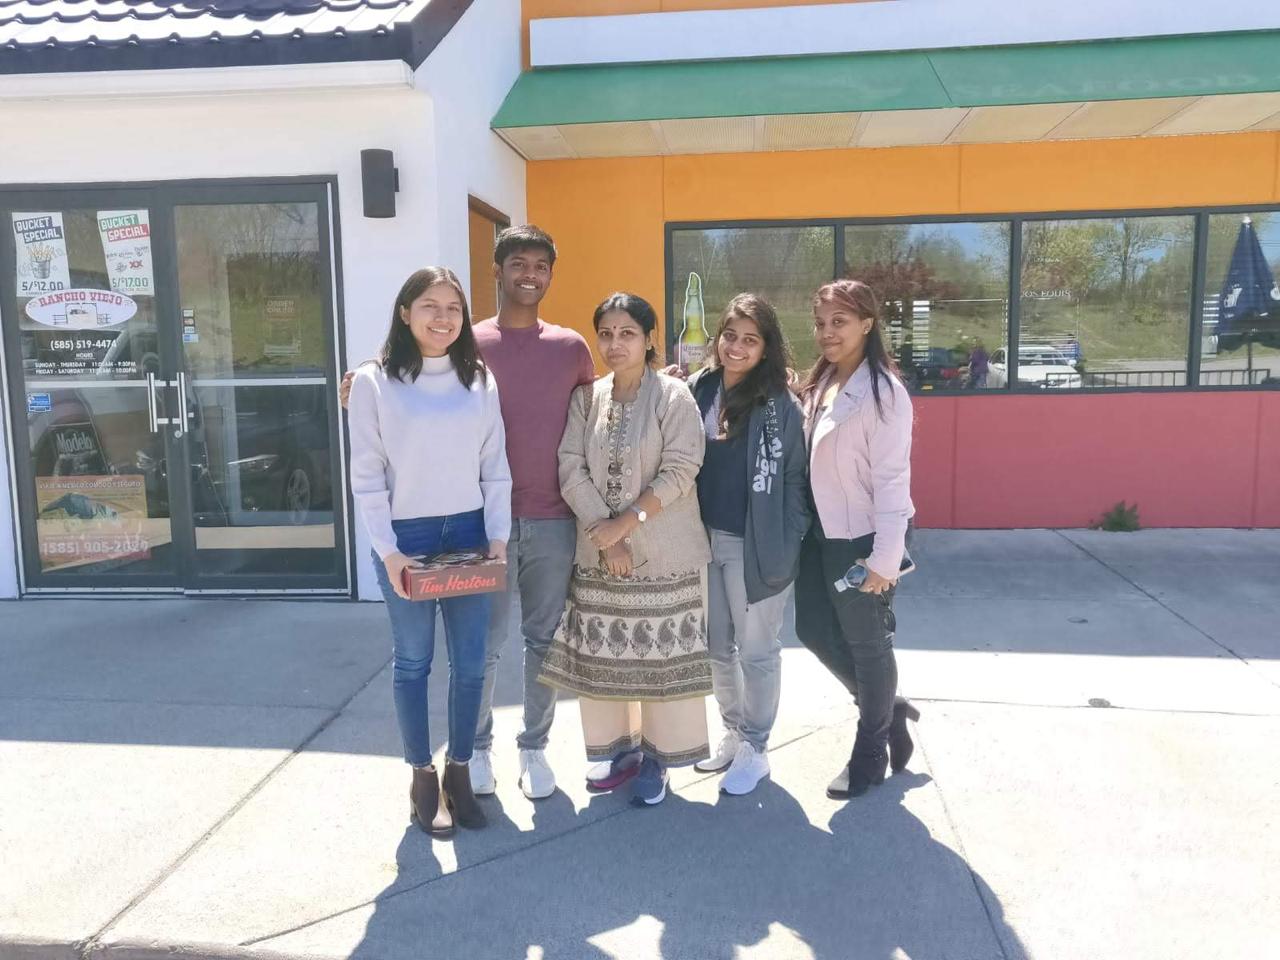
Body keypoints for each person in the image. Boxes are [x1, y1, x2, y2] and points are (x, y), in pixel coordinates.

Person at [342, 225, 594, 802]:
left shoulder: (567, 348)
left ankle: (533, 748)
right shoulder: (467, 345)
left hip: (546, 519)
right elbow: (395, 405)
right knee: (476, 651)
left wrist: (667, 380)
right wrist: (361, 385)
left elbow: (598, 409)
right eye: (518, 263)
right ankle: (474, 751)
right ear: (497, 272)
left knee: (541, 641)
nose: (530, 274)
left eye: (541, 265)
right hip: (470, 527)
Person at [347, 267, 510, 835]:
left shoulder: (478, 380)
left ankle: (459, 772)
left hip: (468, 533)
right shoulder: (373, 382)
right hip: (406, 538)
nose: (443, 318)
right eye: (430, 306)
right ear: (405, 312)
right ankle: (422, 776)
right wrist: (389, 552)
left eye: (453, 308)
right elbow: (367, 475)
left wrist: (497, 538)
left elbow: (495, 466)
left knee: (471, 663)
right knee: (414, 661)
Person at [538, 292, 711, 806]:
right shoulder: (586, 398)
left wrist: (626, 525)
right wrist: (605, 532)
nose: (615, 344)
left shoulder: (673, 396)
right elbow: (570, 467)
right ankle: (622, 752)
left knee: (661, 660)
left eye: (627, 333)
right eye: (606, 334)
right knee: (606, 656)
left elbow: (682, 467)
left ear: (649, 338)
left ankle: (659, 759)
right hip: (598, 554)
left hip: (666, 554)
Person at [793, 278, 920, 801]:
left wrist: (885, 559)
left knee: (869, 647)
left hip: (861, 539)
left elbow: (893, 480)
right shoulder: (819, 384)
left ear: (867, 324)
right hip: (818, 534)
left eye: (839, 322)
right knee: (813, 630)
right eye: (821, 323)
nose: (828, 332)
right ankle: (887, 709)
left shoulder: (885, 393)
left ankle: (870, 753)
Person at [686, 294, 810, 796]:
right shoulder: (700, 388)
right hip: (702, 539)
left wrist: (786, 538)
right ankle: (735, 733)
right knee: (717, 647)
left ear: (766, 347)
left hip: (755, 544)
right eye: (730, 336)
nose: (737, 347)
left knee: (757, 651)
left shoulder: (780, 404)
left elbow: (796, 480)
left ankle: (756, 748)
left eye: (750, 340)